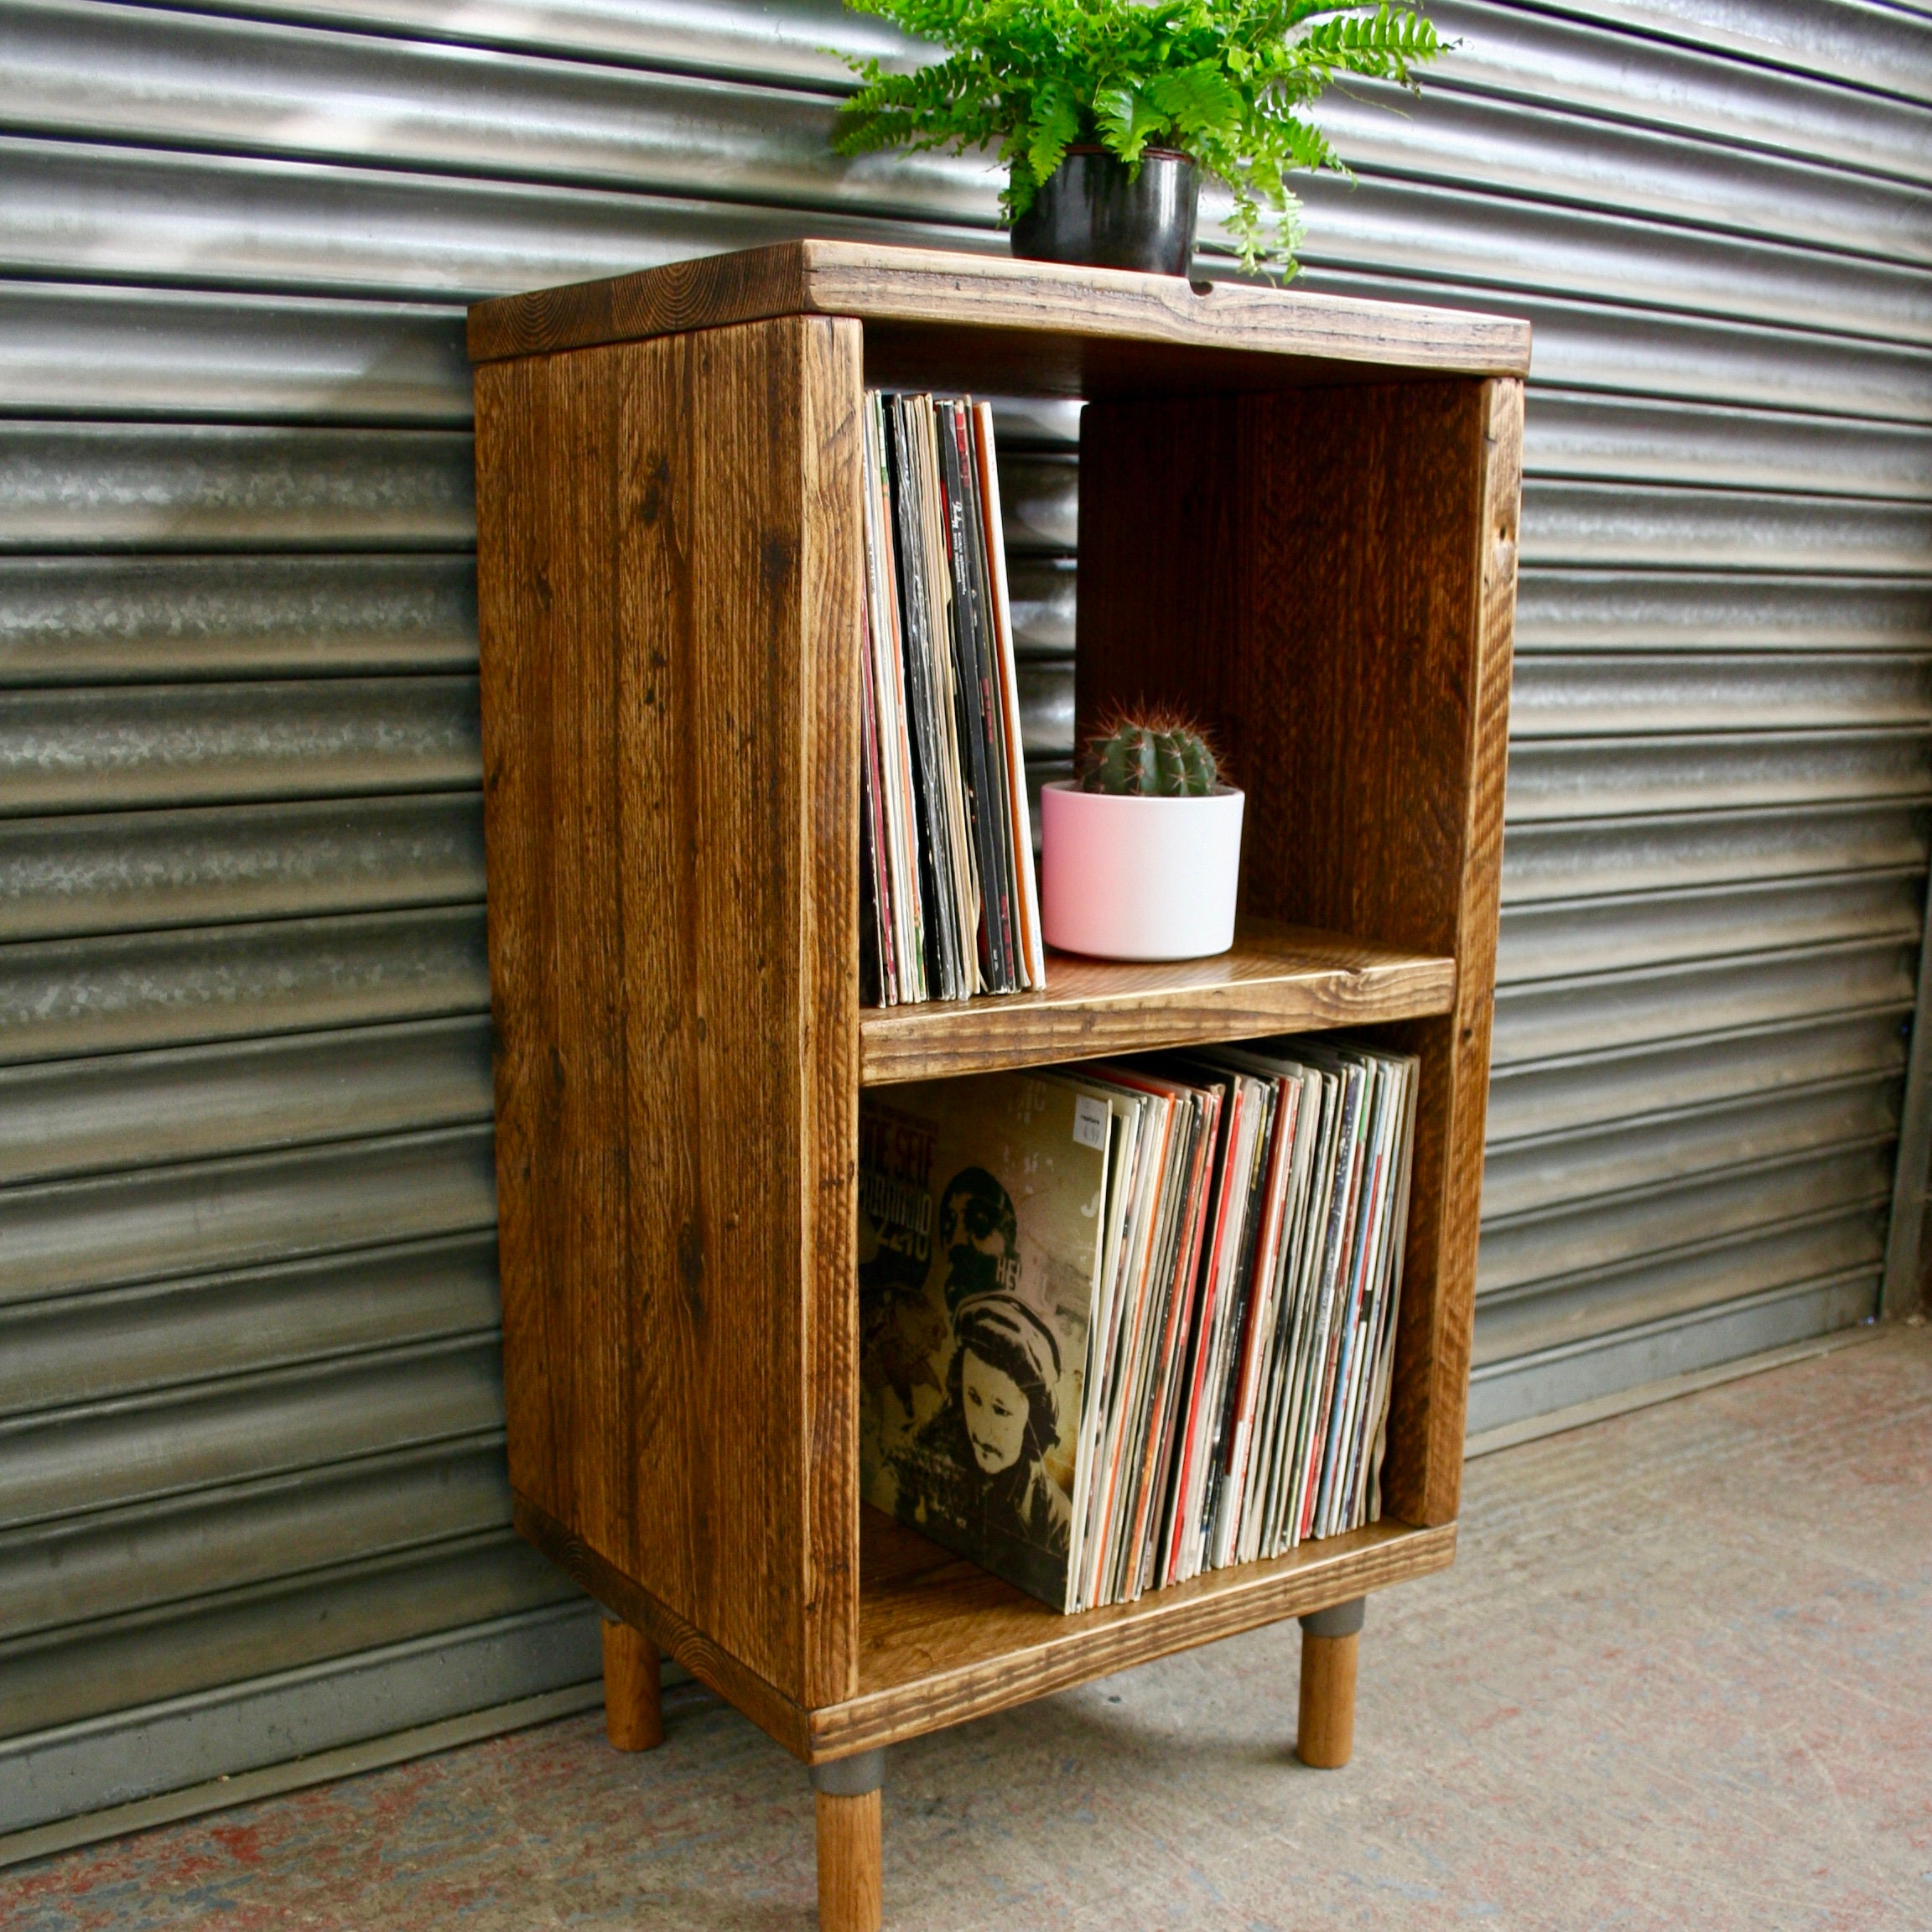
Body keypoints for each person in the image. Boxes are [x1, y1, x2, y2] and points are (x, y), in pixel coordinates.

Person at [895, 1290, 1072, 1598]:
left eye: (1001, 1410)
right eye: (973, 1398)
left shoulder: (1056, 1522)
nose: (983, 1428)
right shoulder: (924, 1461)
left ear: (1033, 1418)